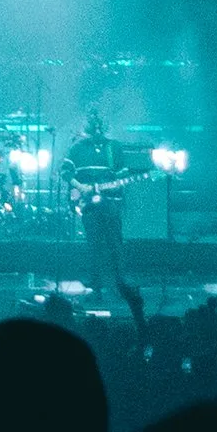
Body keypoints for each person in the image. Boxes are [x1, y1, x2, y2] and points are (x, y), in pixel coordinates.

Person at [65, 108, 139, 309]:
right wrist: (81, 187)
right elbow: (65, 172)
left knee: (115, 244)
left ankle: (120, 285)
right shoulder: (77, 148)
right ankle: (95, 287)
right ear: (87, 127)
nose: (96, 128)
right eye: (93, 125)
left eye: (99, 125)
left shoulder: (114, 147)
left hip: (111, 202)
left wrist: (112, 185)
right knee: (94, 245)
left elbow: (122, 174)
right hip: (89, 204)